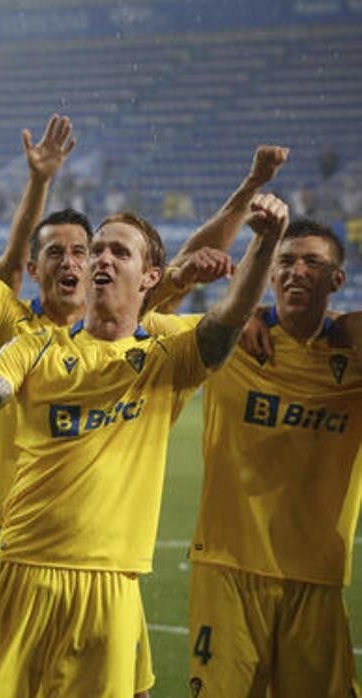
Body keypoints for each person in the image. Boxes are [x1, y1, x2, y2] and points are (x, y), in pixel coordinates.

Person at [0, 150, 288, 696]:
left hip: (110, 583)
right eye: (97, 251)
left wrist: (266, 240)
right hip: (20, 569)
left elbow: (226, 321)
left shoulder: (165, 355)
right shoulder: (34, 344)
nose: (99, 260)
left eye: (116, 251)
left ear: (149, 277)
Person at [188, 219, 362, 695]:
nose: (296, 271)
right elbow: (146, 309)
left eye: (312, 262)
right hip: (227, 569)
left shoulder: (352, 357)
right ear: (268, 274)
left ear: (337, 281)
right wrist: (240, 313)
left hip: (316, 578)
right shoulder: (230, 345)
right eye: (285, 261)